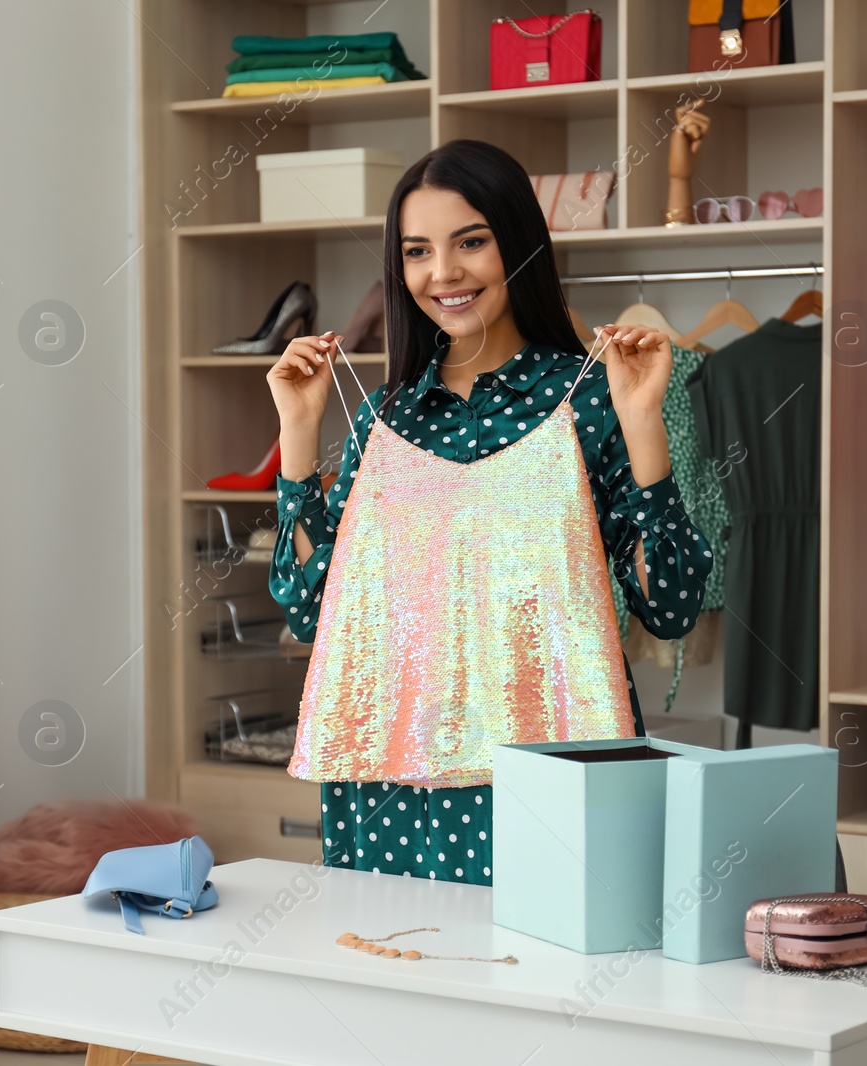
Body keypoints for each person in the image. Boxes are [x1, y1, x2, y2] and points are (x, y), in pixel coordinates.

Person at [266, 139, 714, 886]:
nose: (443, 273)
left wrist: (644, 427)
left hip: (560, 770)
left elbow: (670, 607)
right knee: (400, 974)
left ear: (520, 244)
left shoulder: (594, 397)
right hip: (390, 780)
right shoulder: (383, 418)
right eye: (417, 251)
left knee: (551, 987)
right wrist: (296, 437)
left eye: (470, 241)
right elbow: (311, 614)